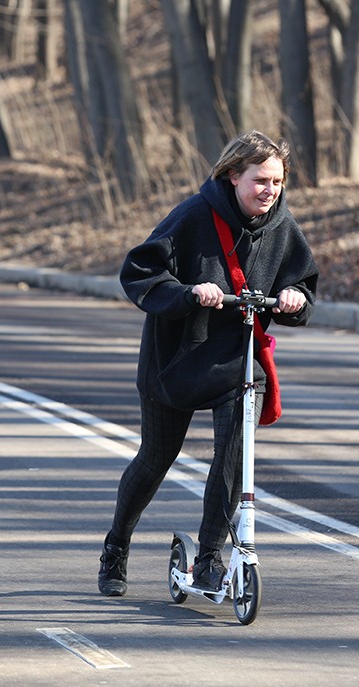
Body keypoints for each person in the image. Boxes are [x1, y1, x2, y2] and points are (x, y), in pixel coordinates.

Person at [97, 130, 318, 596]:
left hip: (237, 363)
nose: (269, 191)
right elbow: (138, 272)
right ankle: (117, 545)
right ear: (233, 176)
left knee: (234, 458)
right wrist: (188, 292)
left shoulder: (281, 224)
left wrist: (296, 296)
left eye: (277, 182)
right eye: (260, 181)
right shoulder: (193, 215)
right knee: (156, 459)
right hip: (175, 360)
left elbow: (303, 281)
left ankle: (208, 559)